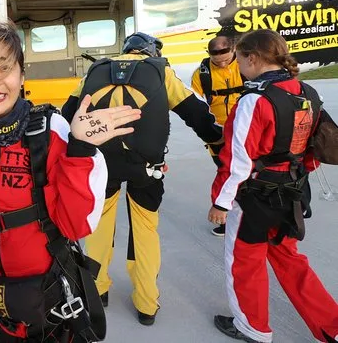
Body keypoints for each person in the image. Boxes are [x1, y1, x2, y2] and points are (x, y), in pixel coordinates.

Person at [0, 21, 141, 342]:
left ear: (21, 76)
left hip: (48, 304)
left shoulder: (48, 131)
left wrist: (80, 148)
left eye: (4, 67)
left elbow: (76, 225)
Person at [62, 32, 223, 326]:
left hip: (102, 163)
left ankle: (97, 289)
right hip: (147, 166)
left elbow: (68, 113)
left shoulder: (96, 70)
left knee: (99, 226)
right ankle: (146, 303)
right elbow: (196, 113)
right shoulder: (161, 71)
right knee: (145, 230)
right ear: (151, 51)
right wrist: (218, 142)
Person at [208, 29, 338, 343]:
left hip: (254, 197)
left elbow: (237, 161)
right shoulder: (306, 92)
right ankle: (332, 327)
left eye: (239, 59)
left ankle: (252, 327)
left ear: (252, 58)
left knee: (245, 262)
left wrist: (221, 202)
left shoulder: (253, 100)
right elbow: (315, 145)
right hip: (292, 193)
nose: (238, 66)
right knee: (291, 260)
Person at [190, 35, 245, 237]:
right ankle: (226, 218)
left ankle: (247, 217)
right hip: (218, 134)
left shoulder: (245, 65)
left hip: (246, 131)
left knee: (248, 176)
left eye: (226, 59)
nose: (222, 63)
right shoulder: (201, 75)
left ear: (234, 49)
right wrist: (209, 134)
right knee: (225, 173)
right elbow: (196, 107)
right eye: (216, 60)